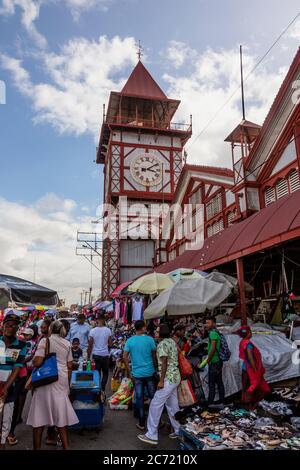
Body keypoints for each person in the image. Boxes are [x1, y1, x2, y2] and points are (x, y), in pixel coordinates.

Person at [26, 320, 78, 450]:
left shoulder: (45, 341)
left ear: (50, 329)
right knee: (60, 415)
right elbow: (70, 365)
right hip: (61, 380)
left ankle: (36, 448)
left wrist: (34, 359)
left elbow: (37, 362)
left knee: (39, 415)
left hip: (46, 378)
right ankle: (66, 447)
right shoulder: (67, 343)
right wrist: (68, 384)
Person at [138, 323, 181, 445]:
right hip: (175, 377)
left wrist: (161, 380)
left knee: (155, 404)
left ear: (161, 333)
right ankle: (178, 430)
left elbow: (164, 363)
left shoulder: (162, 344)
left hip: (168, 378)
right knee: (173, 405)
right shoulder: (172, 341)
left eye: (157, 331)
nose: (155, 333)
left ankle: (151, 434)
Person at [123, 320, 157, 431]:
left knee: (139, 398)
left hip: (137, 374)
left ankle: (142, 422)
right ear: (142, 328)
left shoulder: (130, 341)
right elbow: (154, 356)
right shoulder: (150, 340)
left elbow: (124, 357)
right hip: (150, 372)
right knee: (153, 398)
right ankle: (157, 421)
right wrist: (156, 368)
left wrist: (130, 370)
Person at [0, 313, 27, 449]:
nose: (10, 328)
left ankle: (2, 442)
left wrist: (5, 388)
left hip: (10, 386)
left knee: (7, 417)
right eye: (7, 325)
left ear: (17, 328)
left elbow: (17, 368)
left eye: (13, 326)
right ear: (3, 326)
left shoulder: (22, 345)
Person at [237, 325, 270, 409]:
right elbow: (250, 357)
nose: (251, 333)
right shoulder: (248, 344)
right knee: (252, 386)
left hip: (245, 368)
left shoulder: (242, 341)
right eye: (250, 331)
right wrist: (255, 369)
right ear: (248, 333)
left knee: (246, 386)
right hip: (250, 369)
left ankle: (245, 402)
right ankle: (249, 404)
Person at [87, 314, 112, 393]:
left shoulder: (93, 331)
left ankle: (98, 390)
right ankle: (103, 389)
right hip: (105, 355)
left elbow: (90, 345)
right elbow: (110, 344)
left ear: (97, 320)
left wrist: (88, 356)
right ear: (104, 320)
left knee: (97, 373)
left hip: (96, 355)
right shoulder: (108, 330)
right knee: (105, 373)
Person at [205, 315, 225, 408]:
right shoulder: (216, 332)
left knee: (212, 383)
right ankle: (222, 401)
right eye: (206, 322)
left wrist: (208, 360)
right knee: (219, 382)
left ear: (213, 323)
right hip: (218, 361)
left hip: (214, 362)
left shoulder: (212, 333)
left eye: (208, 323)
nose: (206, 324)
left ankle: (210, 403)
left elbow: (213, 348)